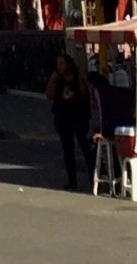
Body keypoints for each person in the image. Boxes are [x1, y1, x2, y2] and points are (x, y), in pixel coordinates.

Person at [44, 47, 95, 190]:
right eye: (58, 63)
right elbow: (48, 95)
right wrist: (53, 79)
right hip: (62, 117)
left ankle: (93, 178)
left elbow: (86, 94)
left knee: (85, 147)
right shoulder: (56, 77)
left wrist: (74, 97)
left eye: (62, 63)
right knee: (68, 149)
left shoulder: (78, 76)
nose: (59, 66)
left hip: (78, 116)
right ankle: (72, 181)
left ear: (69, 64)